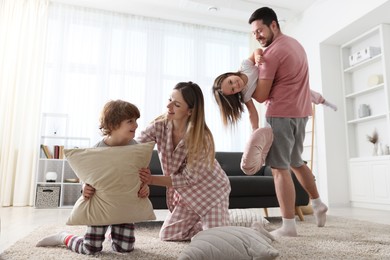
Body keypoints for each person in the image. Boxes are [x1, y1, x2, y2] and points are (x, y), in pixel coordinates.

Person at [245, 6, 328, 237]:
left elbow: (261, 96)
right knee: (295, 161)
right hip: (300, 113)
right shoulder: (296, 45)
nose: (258, 36)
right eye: (254, 34)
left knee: (279, 169)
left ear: (274, 25)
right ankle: (318, 203)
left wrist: (243, 87)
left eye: (260, 30)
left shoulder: (271, 54)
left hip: (280, 113)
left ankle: (288, 225)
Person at [36, 100, 150, 254]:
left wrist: (145, 187)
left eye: (136, 120)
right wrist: (84, 188)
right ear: (113, 124)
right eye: (130, 121)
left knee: (124, 249)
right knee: (90, 249)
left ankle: (112, 234)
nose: (136, 125)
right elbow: (87, 178)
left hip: (125, 206)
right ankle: (64, 237)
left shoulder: (136, 149)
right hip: (100, 205)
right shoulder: (97, 150)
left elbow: (140, 177)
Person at [137, 81, 231, 241]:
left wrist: (151, 179)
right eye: (169, 100)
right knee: (167, 235)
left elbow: (188, 178)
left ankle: (220, 227)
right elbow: (136, 148)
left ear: (190, 111)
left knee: (217, 241)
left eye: (176, 104)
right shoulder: (159, 126)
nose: (169, 107)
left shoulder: (202, 139)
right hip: (186, 196)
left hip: (211, 193)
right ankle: (210, 228)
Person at [212, 48, 337, 130]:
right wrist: (255, 130)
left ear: (229, 75)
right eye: (233, 90)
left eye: (231, 82)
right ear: (234, 94)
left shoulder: (245, 66)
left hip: (277, 82)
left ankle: (323, 101)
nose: (236, 85)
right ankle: (266, 135)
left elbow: (257, 50)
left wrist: (257, 57)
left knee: (303, 92)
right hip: (271, 97)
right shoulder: (245, 95)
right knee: (270, 117)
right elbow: (253, 113)